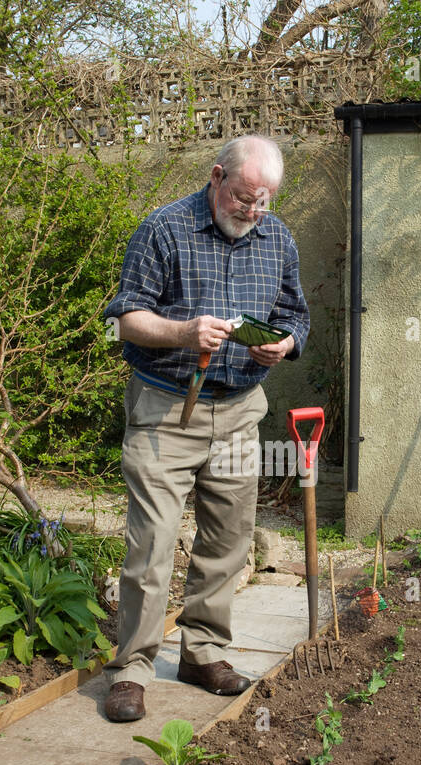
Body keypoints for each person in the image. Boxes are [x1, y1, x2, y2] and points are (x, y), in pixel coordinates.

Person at [100, 134, 310, 722]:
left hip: (241, 410)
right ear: (217, 176)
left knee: (228, 539)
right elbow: (127, 319)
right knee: (152, 544)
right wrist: (183, 332)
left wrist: (286, 343)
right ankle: (133, 668)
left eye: (264, 201)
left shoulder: (278, 238)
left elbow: (297, 314)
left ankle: (203, 652)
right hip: (166, 409)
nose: (252, 211)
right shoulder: (163, 230)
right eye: (245, 197)